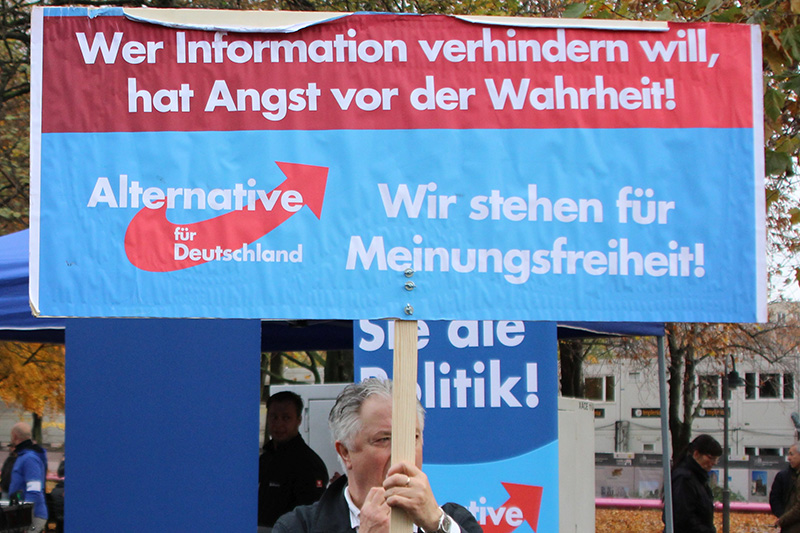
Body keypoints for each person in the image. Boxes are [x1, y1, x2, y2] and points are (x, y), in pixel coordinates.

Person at [273, 378, 482, 533]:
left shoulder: (455, 521)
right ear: (345, 452)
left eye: (413, 437)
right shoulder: (298, 527)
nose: (402, 454)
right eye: (384, 440)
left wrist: (437, 524)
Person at [258, 391, 329, 528]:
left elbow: (312, 516)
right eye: (274, 417)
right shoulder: (264, 460)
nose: (279, 425)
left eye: (286, 418)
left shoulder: (309, 464)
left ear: (299, 420)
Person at [664, 434, 721, 533]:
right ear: (696, 454)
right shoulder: (685, 479)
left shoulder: (697, 478)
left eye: (716, 459)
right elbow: (682, 518)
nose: (714, 463)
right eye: (711, 457)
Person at [8, 422, 48, 532]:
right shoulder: (25, 456)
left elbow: (34, 489)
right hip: (26, 513)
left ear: (15, 436)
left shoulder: (29, 458)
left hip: (31, 516)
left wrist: (25, 517)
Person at [771, 443, 800, 518]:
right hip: (789, 524)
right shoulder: (782, 476)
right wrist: (784, 517)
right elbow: (775, 499)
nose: (788, 458)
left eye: (792, 454)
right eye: (788, 454)